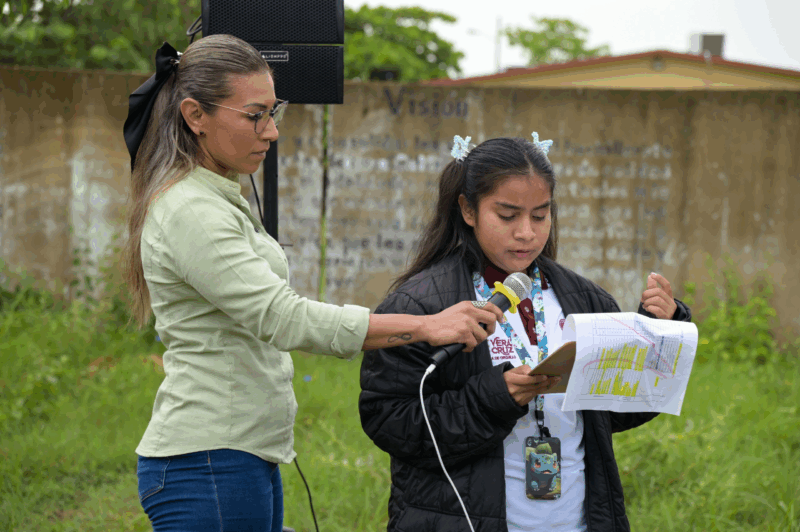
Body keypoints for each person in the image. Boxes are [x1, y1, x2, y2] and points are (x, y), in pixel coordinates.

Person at [120, 35, 503, 532]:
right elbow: (282, 318)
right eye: (254, 115)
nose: (272, 132)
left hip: (236, 455)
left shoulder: (214, 198)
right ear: (195, 116)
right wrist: (427, 326)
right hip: (209, 460)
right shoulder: (192, 209)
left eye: (273, 111)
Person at [358, 135, 692, 532]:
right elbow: (391, 421)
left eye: (540, 215)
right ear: (467, 210)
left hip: (575, 520)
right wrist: (495, 399)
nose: (527, 233)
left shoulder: (583, 298)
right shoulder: (420, 306)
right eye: (508, 215)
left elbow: (614, 411)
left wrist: (660, 332)